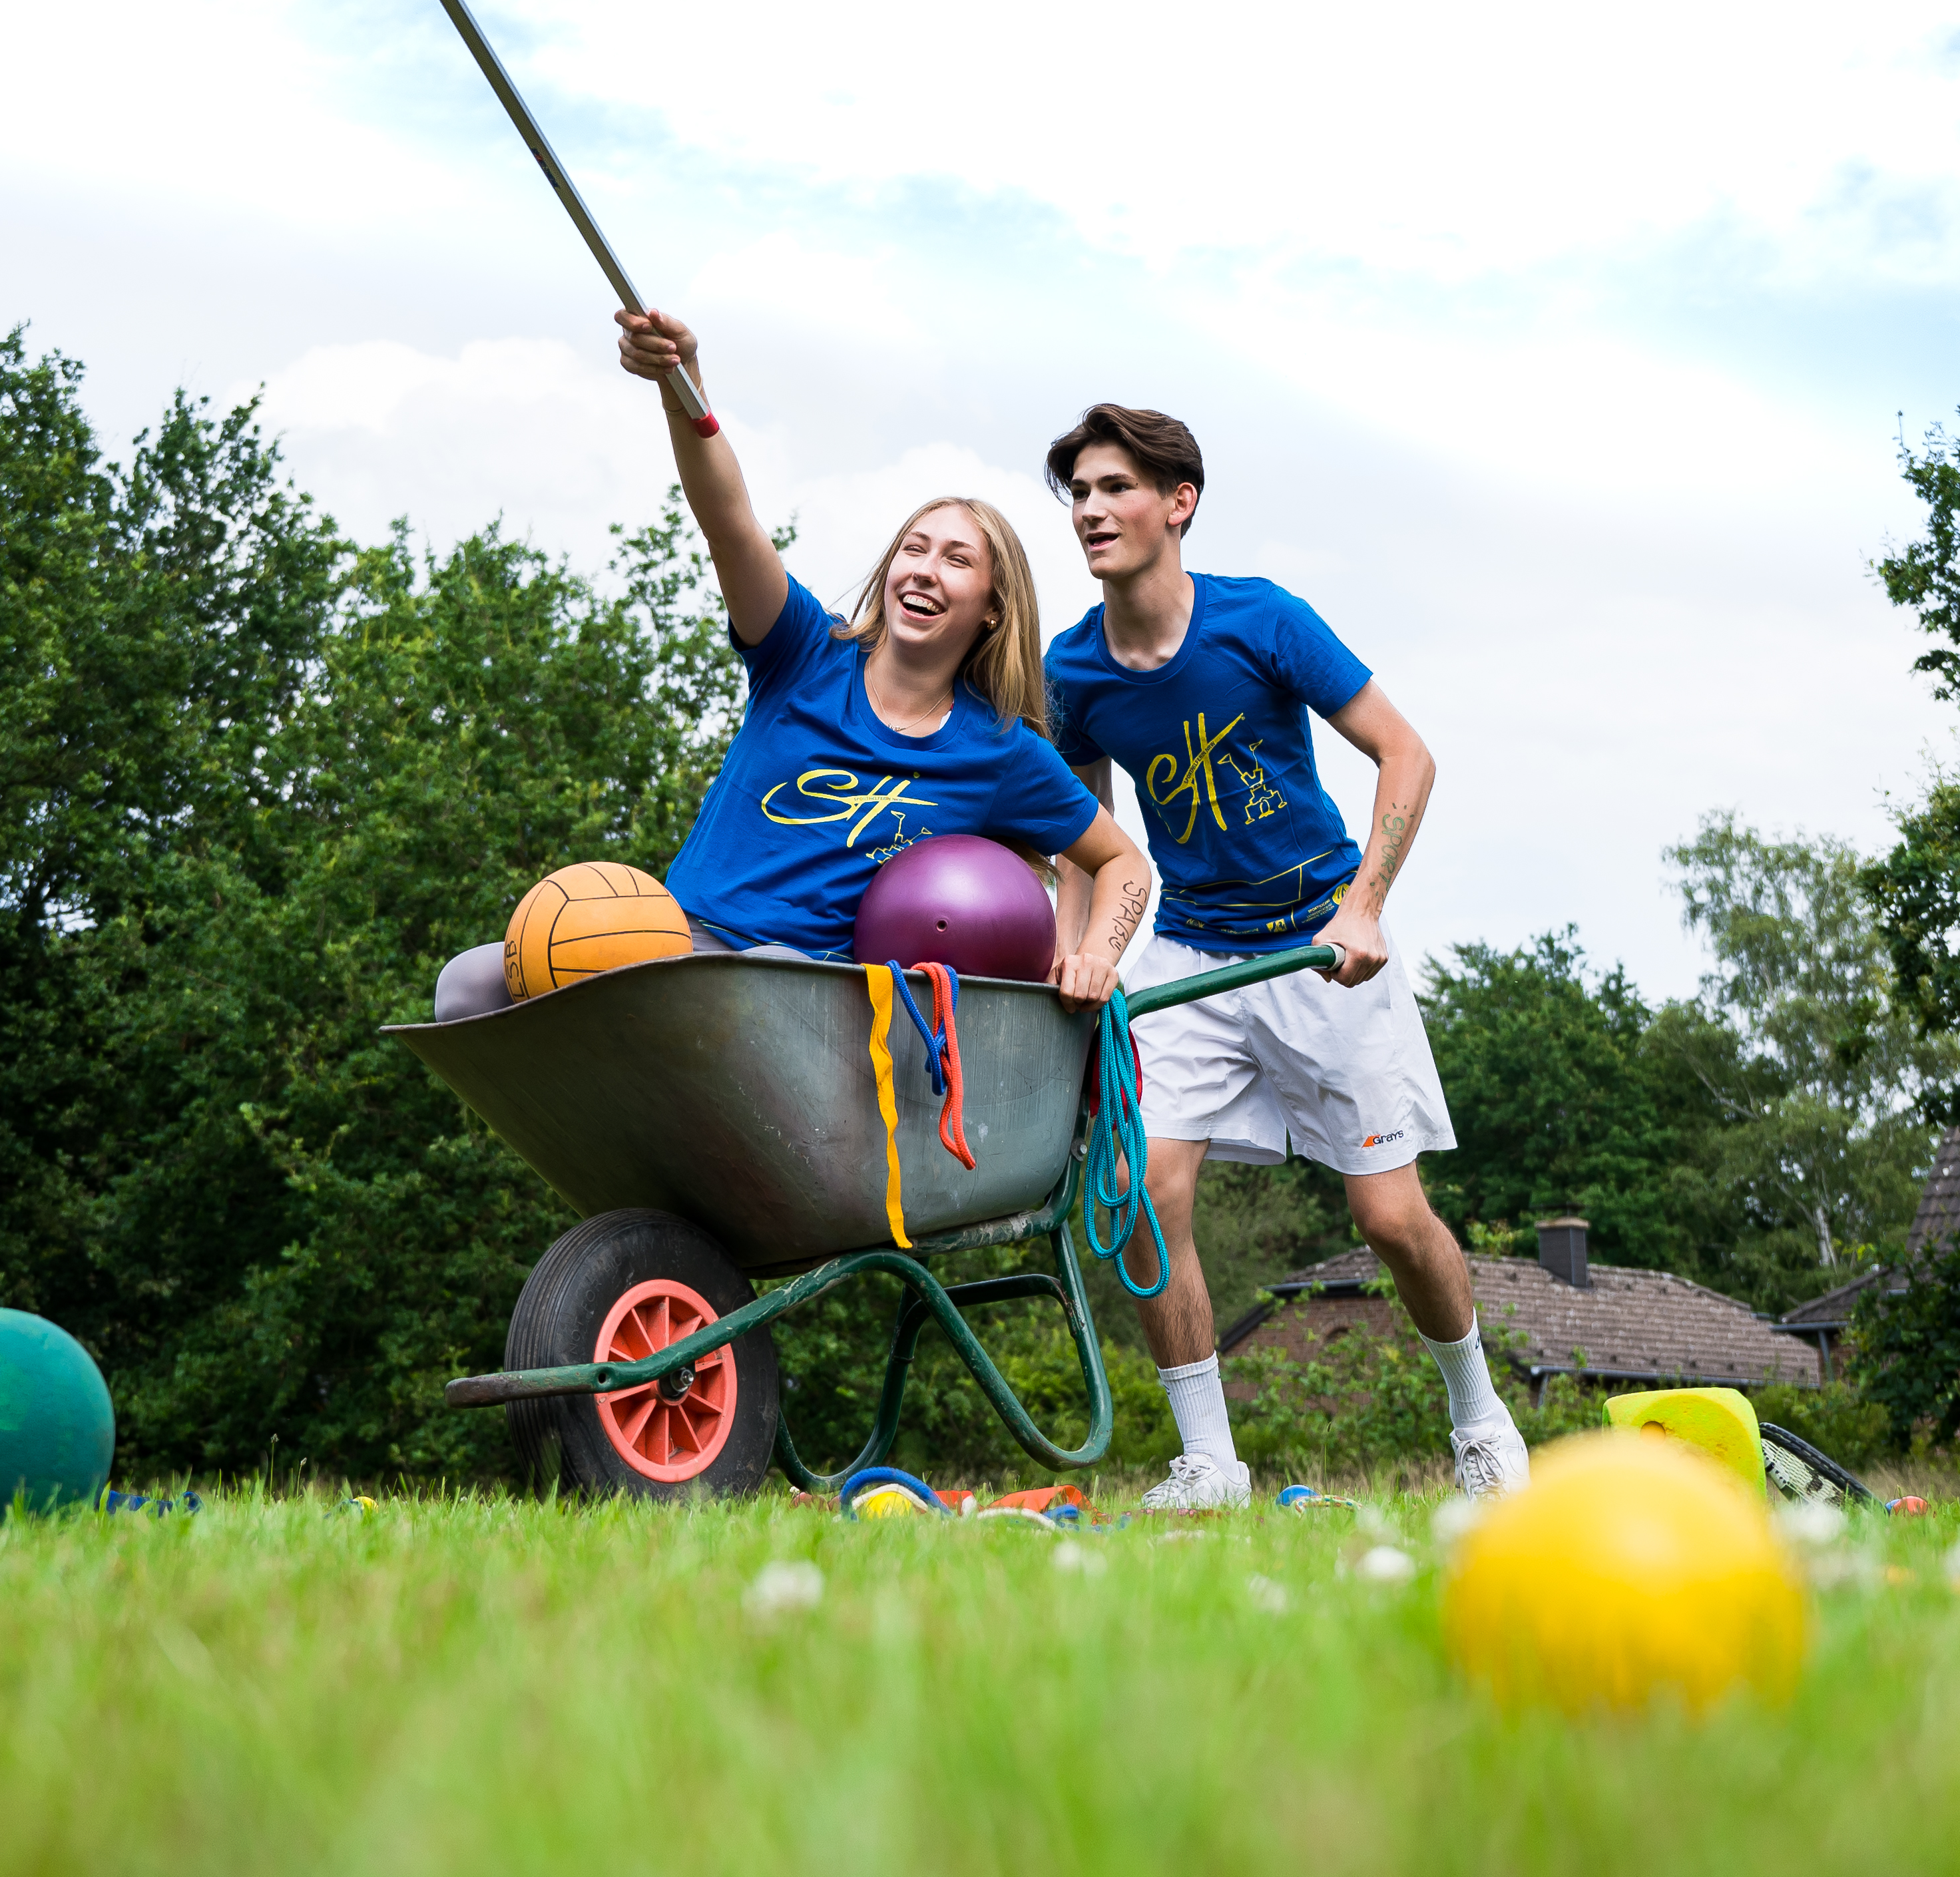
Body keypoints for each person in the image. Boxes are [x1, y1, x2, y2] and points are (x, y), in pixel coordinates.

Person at [1037, 402, 1523, 1506]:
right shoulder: (1073, 671)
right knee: (1139, 1188)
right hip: (1191, 958)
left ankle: (1478, 1416)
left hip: (1316, 943)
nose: (1091, 509)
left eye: (1114, 487)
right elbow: (1085, 842)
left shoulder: (1262, 620)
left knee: (1390, 1220)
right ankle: (1208, 1460)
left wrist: (1363, 905)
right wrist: (1079, 958)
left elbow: (1405, 755)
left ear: (1178, 503)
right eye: (1077, 492)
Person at [434, 312, 1154, 1016]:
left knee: (767, 979)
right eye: (915, 548)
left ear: (992, 609)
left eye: (957, 560)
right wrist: (683, 392)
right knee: (469, 984)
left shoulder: (999, 751)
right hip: (675, 943)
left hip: (808, 993)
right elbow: (730, 522)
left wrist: (1094, 955)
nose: (925, 571)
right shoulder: (805, 652)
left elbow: (1124, 865)